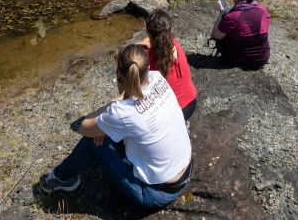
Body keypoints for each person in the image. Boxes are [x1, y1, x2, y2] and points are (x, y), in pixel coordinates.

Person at [39, 44, 192, 208]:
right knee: (113, 129)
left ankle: (59, 178)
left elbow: (84, 127)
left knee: (92, 141)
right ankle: (107, 132)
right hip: (187, 168)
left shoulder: (122, 112)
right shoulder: (158, 78)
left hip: (157, 193)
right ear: (146, 68)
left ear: (120, 75)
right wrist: (111, 120)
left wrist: (112, 109)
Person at [138, 9, 198, 119]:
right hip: (192, 103)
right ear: (170, 30)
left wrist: (137, 45)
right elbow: (156, 38)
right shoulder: (175, 43)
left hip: (174, 114)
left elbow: (119, 55)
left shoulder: (145, 58)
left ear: (147, 31)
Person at [211, 0, 271, 69]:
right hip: (263, 58)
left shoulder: (232, 16)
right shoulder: (262, 9)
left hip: (241, 59)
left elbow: (216, 35)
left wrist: (222, 14)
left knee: (224, 34)